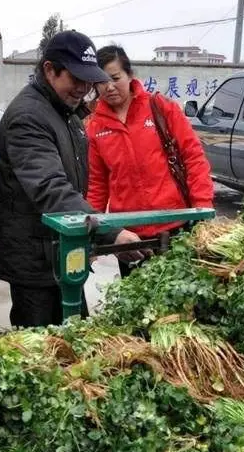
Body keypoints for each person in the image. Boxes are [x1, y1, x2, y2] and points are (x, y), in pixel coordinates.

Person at [0, 30, 142, 328]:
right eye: (76, 79)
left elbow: (80, 183)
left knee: (73, 343)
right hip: (34, 261)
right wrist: (108, 232)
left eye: (88, 81)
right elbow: (52, 189)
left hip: (60, 253)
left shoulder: (66, 113)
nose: (83, 88)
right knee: (39, 353)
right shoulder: (28, 117)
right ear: (50, 69)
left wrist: (85, 238)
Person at [86, 45, 214, 278]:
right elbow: (97, 184)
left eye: (115, 78)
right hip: (129, 238)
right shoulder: (96, 126)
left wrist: (202, 210)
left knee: (180, 304)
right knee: (139, 306)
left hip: (175, 229)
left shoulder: (161, 108)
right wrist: (95, 234)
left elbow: (194, 157)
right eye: (102, 82)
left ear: (130, 75)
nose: (109, 87)